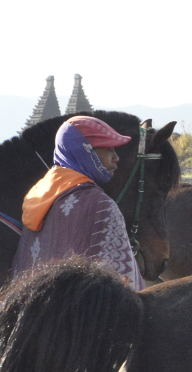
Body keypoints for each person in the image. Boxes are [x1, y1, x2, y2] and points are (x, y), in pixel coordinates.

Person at [12, 116, 142, 286]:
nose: (116, 158)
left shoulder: (37, 197)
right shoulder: (99, 205)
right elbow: (124, 285)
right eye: (108, 150)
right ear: (84, 152)